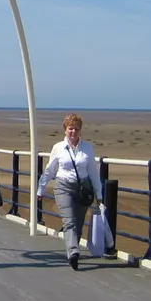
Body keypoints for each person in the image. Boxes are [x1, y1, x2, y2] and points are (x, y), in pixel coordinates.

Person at [37, 112, 103, 270]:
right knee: (69, 221)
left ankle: (74, 249)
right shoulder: (58, 148)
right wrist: (41, 188)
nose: (73, 132)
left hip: (83, 188)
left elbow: (93, 172)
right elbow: (50, 169)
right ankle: (73, 252)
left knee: (79, 223)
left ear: (80, 131)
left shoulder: (87, 148)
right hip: (63, 186)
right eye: (70, 128)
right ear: (65, 130)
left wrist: (99, 194)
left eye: (76, 129)